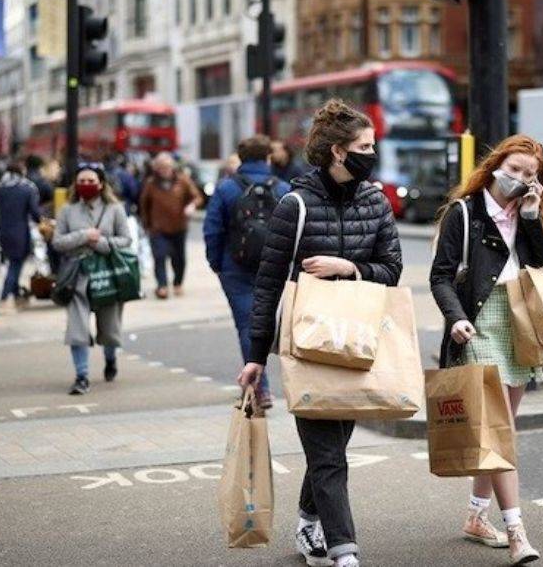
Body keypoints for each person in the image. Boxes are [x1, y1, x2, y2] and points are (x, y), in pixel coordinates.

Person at [237, 98, 402, 567]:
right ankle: (344, 551)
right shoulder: (296, 205)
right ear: (337, 151)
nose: (372, 153)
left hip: (358, 341)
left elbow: (391, 269)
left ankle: (309, 520)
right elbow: (268, 283)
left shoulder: (375, 200)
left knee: (334, 444)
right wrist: (255, 355)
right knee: (329, 453)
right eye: (365, 146)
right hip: (309, 344)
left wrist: (347, 267)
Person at [429, 134, 543, 565]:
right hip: (478, 324)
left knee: (499, 431)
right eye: (515, 169)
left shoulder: (528, 214)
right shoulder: (463, 214)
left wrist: (533, 216)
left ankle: (475, 517)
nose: (519, 178)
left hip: (517, 325)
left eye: (530, 175)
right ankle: (517, 531)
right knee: (501, 432)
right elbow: (441, 276)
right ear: (497, 164)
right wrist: (455, 317)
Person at [203, 135, 291, 409]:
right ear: (267, 157)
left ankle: (259, 389)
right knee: (274, 324)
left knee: (247, 325)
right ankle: (285, 385)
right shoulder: (283, 188)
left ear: (240, 158)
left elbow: (212, 230)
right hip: (275, 266)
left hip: (236, 267)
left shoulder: (227, 188)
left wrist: (217, 264)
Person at [53, 163, 132, 395]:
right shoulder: (67, 210)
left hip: (107, 274)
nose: (86, 185)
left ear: (101, 184)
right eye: (82, 181)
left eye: (91, 181)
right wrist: (82, 236)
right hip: (77, 276)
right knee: (77, 328)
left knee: (109, 329)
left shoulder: (114, 209)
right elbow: (57, 242)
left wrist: (102, 243)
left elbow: (126, 240)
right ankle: (82, 376)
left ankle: (110, 359)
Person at [138, 152, 201, 299]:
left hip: (179, 226)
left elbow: (197, 197)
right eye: (160, 167)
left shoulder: (182, 180)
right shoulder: (150, 184)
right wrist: (146, 224)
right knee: (159, 256)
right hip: (158, 227)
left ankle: (178, 282)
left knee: (179, 258)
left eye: (167, 167)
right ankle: (162, 286)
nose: (164, 170)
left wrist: (191, 206)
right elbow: (144, 204)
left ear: (172, 167)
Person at [0, 162, 42, 314]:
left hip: (3, 230)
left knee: (12, 263)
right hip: (20, 231)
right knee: (15, 266)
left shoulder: (0, 188)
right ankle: (4, 297)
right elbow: (35, 212)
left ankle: (17, 297)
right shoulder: (27, 189)